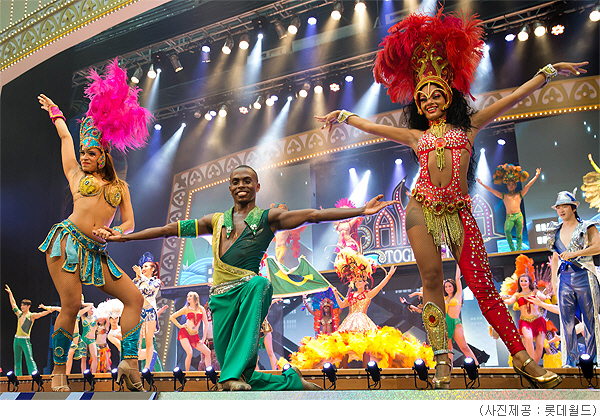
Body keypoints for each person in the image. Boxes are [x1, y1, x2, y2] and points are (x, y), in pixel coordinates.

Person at [315, 9, 584, 388]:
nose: (429, 100)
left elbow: (516, 95)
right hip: (420, 210)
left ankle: (522, 359)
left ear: (448, 95)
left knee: (484, 286)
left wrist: (548, 72)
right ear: (418, 105)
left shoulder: (469, 126)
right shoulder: (415, 137)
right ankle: (442, 361)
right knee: (430, 281)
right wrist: (344, 115)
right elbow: (372, 126)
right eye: (422, 98)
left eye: (436, 93)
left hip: (458, 211)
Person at [99, 164, 396, 391]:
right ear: (230, 187)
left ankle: (233, 377)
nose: (241, 185)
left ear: (256, 186)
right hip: (220, 300)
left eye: (247, 181)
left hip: (248, 291)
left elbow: (312, 216)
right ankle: (292, 384)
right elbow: (168, 230)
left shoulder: (268, 218)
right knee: (239, 373)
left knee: (259, 283)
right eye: (236, 181)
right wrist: (125, 238)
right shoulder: (214, 221)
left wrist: (361, 210)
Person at [37, 60, 152, 391]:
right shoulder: (76, 175)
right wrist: (57, 115)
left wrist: (118, 233)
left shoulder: (120, 188)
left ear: (103, 156)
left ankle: (129, 363)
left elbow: (129, 223)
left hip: (97, 251)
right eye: (83, 152)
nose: (84, 157)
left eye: (90, 153)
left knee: (135, 299)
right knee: (71, 305)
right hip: (68, 242)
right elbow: (64, 141)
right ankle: (58, 372)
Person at [546, 189, 600, 367]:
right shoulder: (555, 230)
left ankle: (593, 359)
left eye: (564, 207)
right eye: (558, 207)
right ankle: (571, 361)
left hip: (584, 274)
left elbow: (597, 247)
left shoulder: (586, 226)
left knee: (590, 319)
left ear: (573, 208)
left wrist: (576, 253)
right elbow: (555, 257)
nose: (561, 210)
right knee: (566, 321)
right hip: (565, 279)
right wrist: (554, 281)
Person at [331, 248, 396, 368]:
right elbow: (341, 305)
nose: (357, 283)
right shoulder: (351, 295)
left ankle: (366, 370)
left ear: (365, 282)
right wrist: (335, 293)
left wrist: (389, 276)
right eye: (356, 281)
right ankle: (344, 370)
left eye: (360, 280)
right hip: (349, 322)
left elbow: (380, 286)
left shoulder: (368, 294)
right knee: (346, 345)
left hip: (363, 321)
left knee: (366, 346)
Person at [477, 165, 541, 251]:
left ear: (515, 186)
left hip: (518, 216)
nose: (511, 186)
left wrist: (536, 176)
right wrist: (482, 184)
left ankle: (518, 250)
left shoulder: (519, 194)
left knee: (519, 234)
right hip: (509, 217)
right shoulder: (504, 196)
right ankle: (512, 249)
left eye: (512, 184)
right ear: (507, 186)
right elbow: (492, 191)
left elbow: (528, 185)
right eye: (509, 184)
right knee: (507, 231)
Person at [5, 285, 56, 376]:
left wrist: (49, 310)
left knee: (29, 359)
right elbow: (13, 304)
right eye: (21, 305)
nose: (21, 307)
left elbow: (41, 314)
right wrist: (10, 293)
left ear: (28, 306)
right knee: (17, 360)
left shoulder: (31, 316)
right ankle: (18, 377)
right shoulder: (19, 314)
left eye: (23, 305)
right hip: (17, 339)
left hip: (25, 340)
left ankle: (34, 375)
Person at [503, 273, 548, 364]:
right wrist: (501, 299)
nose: (523, 283)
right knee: (528, 338)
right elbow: (509, 301)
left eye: (525, 281)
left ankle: (535, 364)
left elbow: (542, 297)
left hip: (538, 320)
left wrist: (545, 295)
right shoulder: (517, 295)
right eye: (521, 281)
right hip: (525, 322)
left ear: (529, 282)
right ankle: (531, 365)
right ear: (519, 283)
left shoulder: (535, 292)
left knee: (540, 346)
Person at [132, 252, 163, 371]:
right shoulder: (138, 280)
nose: (143, 268)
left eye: (146, 267)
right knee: (137, 341)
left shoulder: (156, 281)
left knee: (149, 340)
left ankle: (147, 368)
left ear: (152, 269)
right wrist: (137, 278)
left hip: (150, 310)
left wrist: (141, 277)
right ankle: (136, 367)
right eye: (142, 266)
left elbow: (149, 291)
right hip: (139, 311)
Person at [444, 266, 479, 366]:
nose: (448, 288)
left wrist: (458, 266)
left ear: (453, 287)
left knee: (464, 347)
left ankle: (476, 366)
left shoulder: (458, 295)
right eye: (446, 287)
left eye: (450, 286)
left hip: (455, 323)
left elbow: (457, 279)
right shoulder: (445, 298)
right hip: (446, 324)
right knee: (448, 349)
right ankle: (449, 369)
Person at [170, 291, 212, 371]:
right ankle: (187, 374)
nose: (188, 298)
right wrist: (180, 326)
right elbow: (172, 317)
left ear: (195, 298)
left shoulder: (201, 309)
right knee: (189, 352)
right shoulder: (186, 309)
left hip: (195, 335)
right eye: (187, 296)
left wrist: (203, 338)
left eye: (190, 296)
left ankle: (208, 372)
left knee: (208, 352)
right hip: (185, 333)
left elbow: (206, 323)